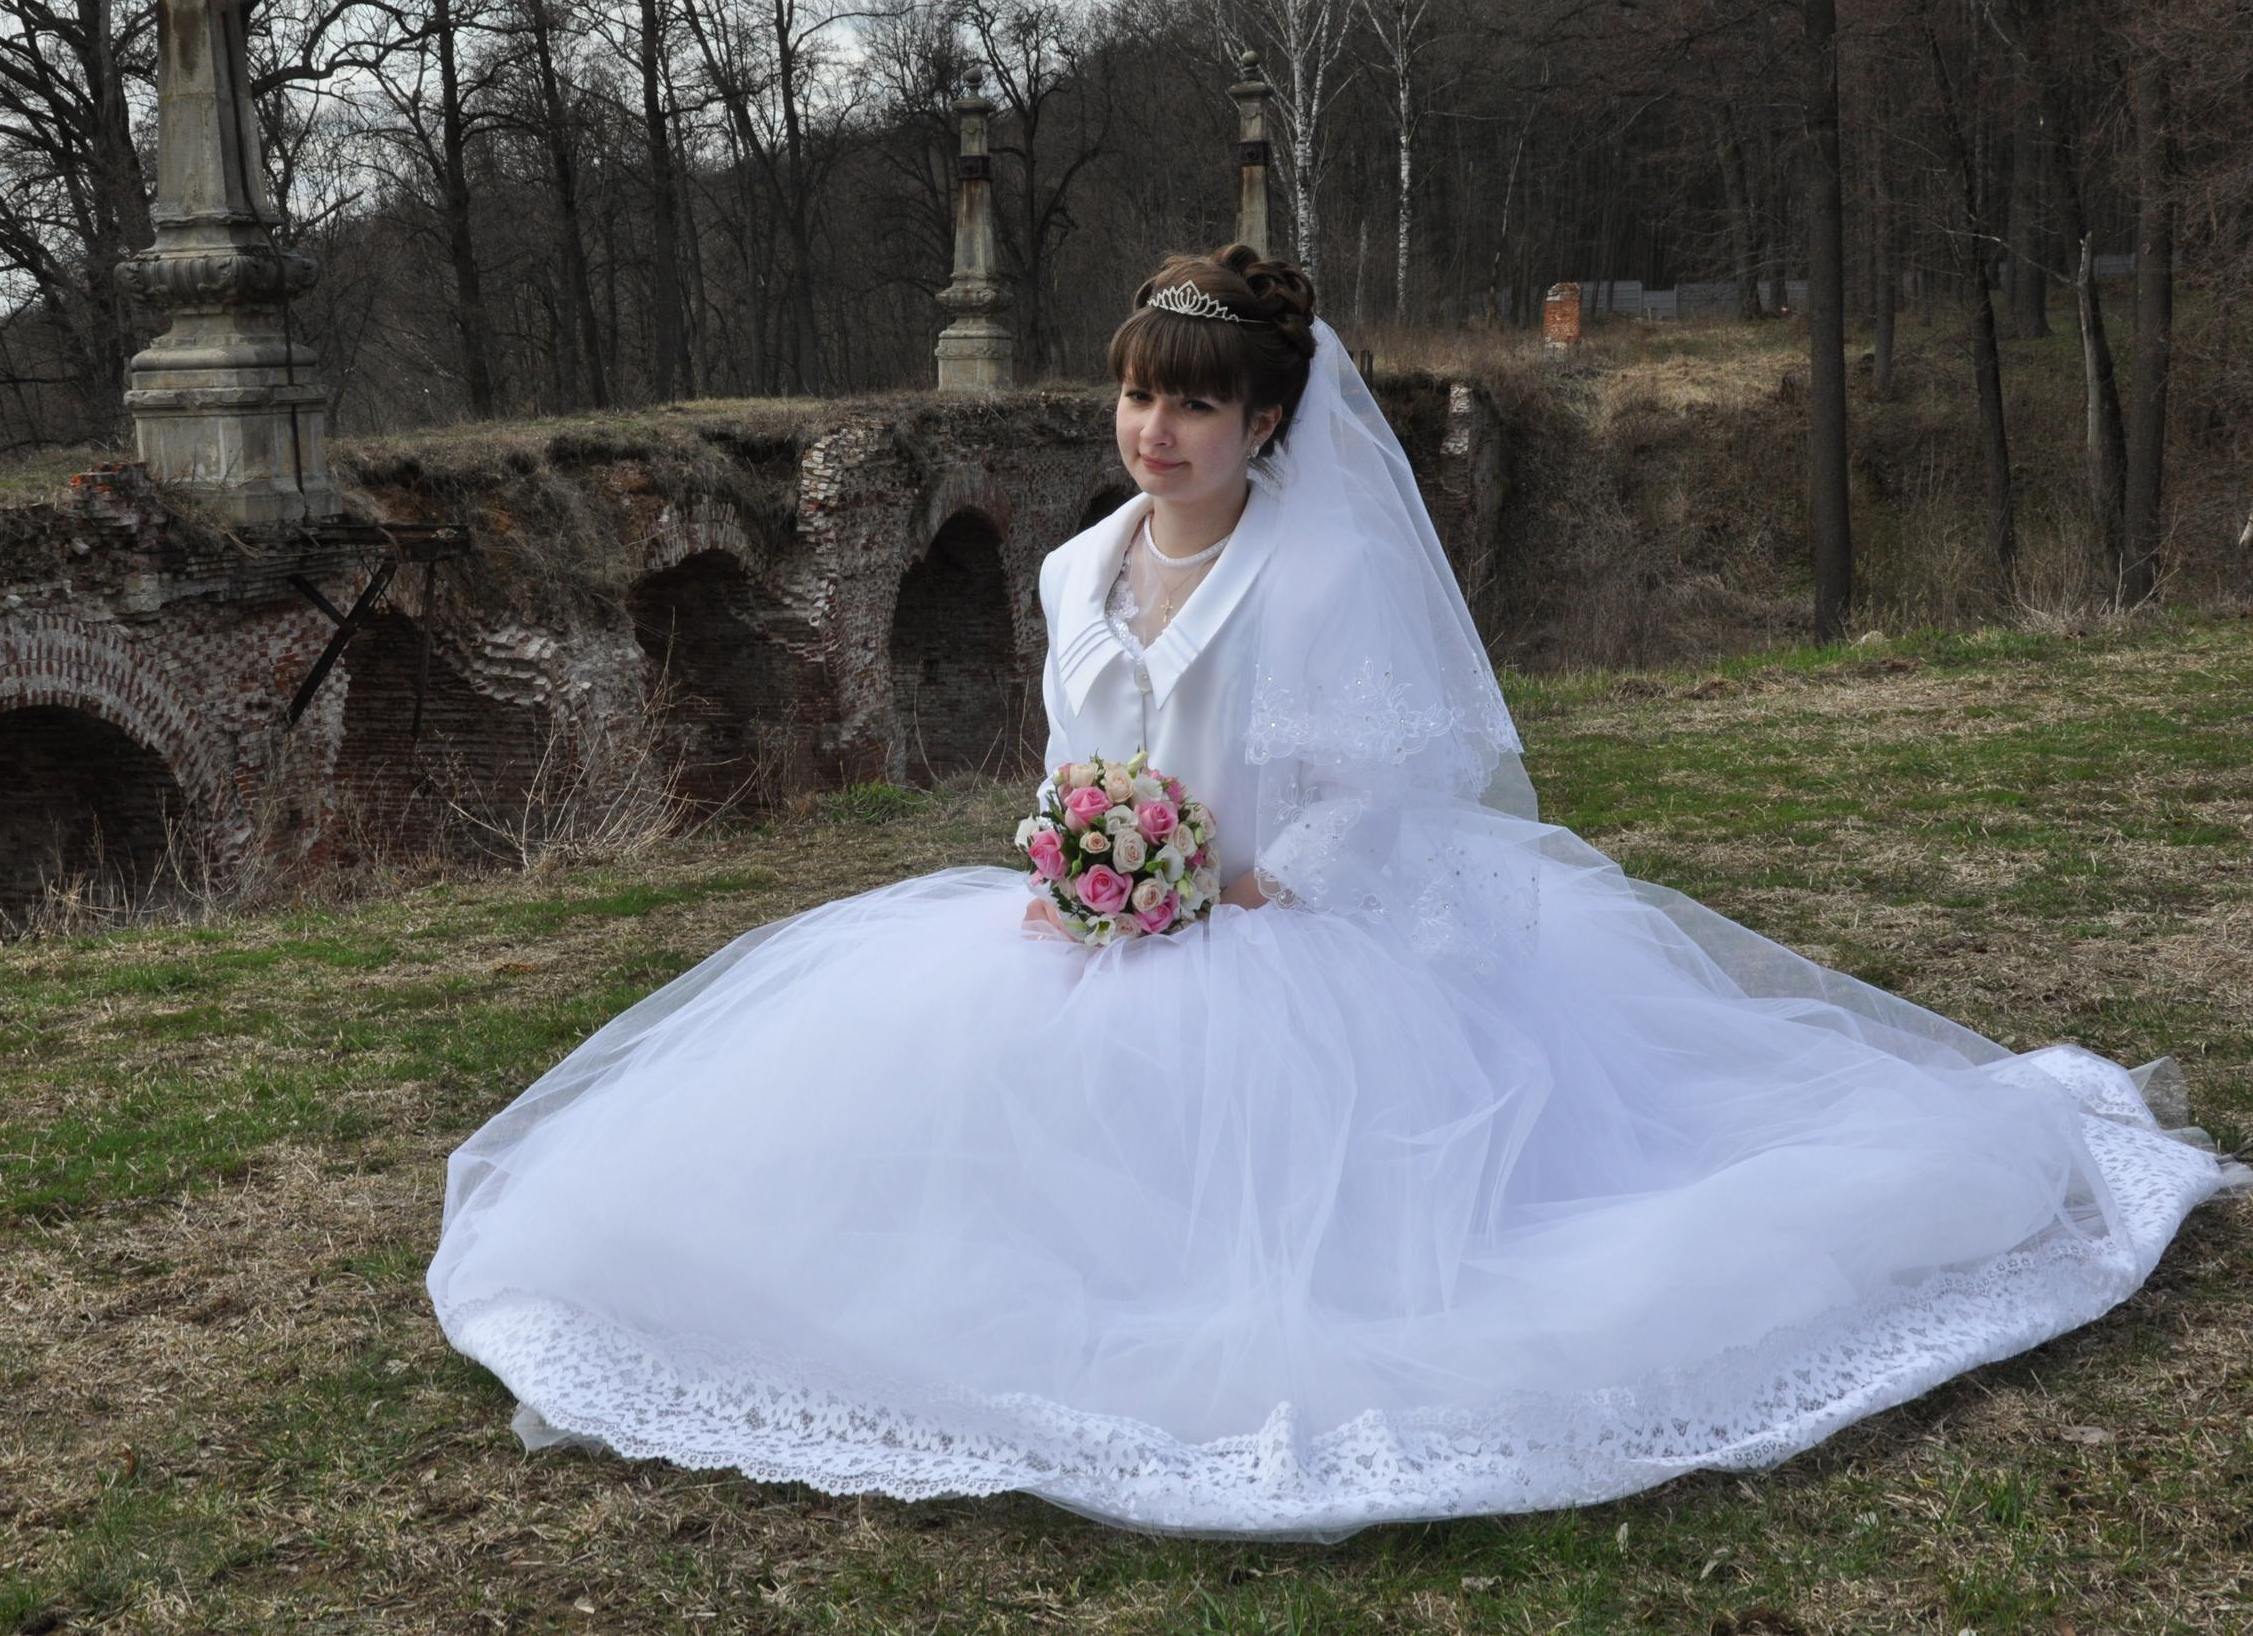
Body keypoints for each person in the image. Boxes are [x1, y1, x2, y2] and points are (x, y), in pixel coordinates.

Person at [425, 243, 2248, 1541]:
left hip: (1295, 936)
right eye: (1141, 393)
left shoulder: (1315, 582)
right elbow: (1074, 748)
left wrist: (1232, 875)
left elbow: (1391, 798)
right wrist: (1078, 859)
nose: (1158, 431)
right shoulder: (1073, 570)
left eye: (1197, 407)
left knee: (1317, 1240)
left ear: (1269, 420)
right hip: (1095, 922)